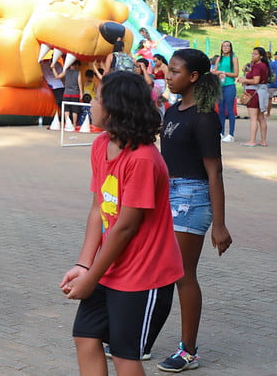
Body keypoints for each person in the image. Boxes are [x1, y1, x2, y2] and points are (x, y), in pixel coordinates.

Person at [60, 71, 182, 376]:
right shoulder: (101, 144)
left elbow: (126, 227)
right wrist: (84, 265)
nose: (92, 103)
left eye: (98, 98)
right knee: (85, 338)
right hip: (108, 268)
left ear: (114, 109)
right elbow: (98, 209)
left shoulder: (142, 159)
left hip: (145, 274)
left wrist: (90, 280)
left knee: (125, 356)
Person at [158, 48, 232, 372]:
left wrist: (220, 224)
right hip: (167, 195)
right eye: (168, 69)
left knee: (183, 274)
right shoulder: (172, 112)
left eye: (174, 71)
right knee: (162, 271)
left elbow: (214, 173)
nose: (167, 75)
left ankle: (188, 352)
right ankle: (140, 338)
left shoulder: (204, 118)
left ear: (193, 77)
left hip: (192, 197)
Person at [237, 46, 270, 147]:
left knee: (253, 118)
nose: (253, 55)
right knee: (261, 118)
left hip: (254, 93)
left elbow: (256, 80)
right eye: (252, 53)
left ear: (260, 56)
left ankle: (252, 140)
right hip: (261, 92)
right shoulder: (264, 65)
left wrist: (244, 80)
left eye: (255, 54)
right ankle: (263, 140)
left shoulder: (257, 66)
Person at [213, 41, 239, 142]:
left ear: (231, 47)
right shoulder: (219, 58)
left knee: (230, 110)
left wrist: (223, 72)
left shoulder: (234, 58)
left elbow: (236, 74)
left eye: (227, 46)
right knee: (221, 110)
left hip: (229, 85)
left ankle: (231, 134)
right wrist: (214, 72)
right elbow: (215, 70)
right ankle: (221, 132)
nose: (225, 47)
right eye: (223, 46)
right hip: (220, 86)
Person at [52, 58, 83, 128]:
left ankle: (67, 124)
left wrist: (53, 68)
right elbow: (79, 83)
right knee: (75, 109)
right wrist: (81, 92)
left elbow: (57, 76)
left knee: (66, 109)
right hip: (75, 93)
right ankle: (74, 124)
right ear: (76, 65)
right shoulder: (78, 73)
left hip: (66, 93)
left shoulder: (66, 71)